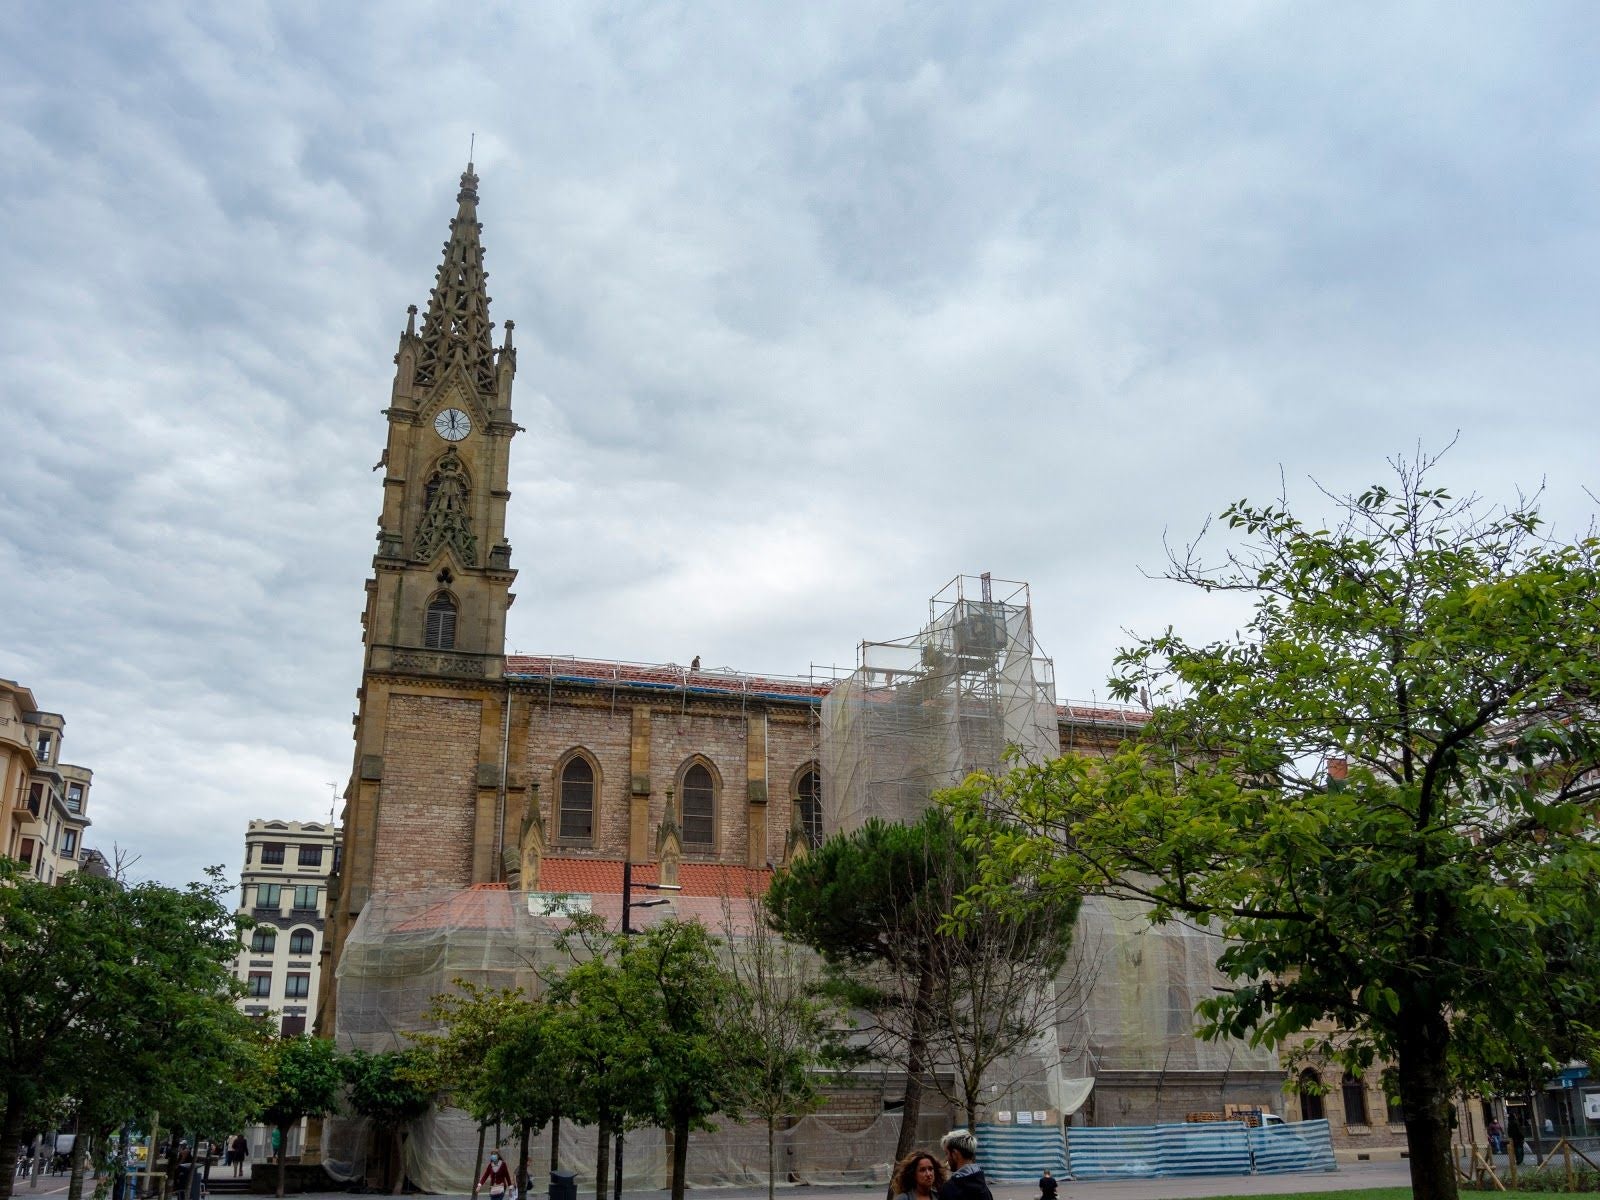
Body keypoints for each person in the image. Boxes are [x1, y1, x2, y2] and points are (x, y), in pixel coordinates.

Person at [936, 1130, 993, 1200]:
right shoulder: (984, 1188)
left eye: (946, 1153)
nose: (946, 1159)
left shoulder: (950, 1189)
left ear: (954, 1154)